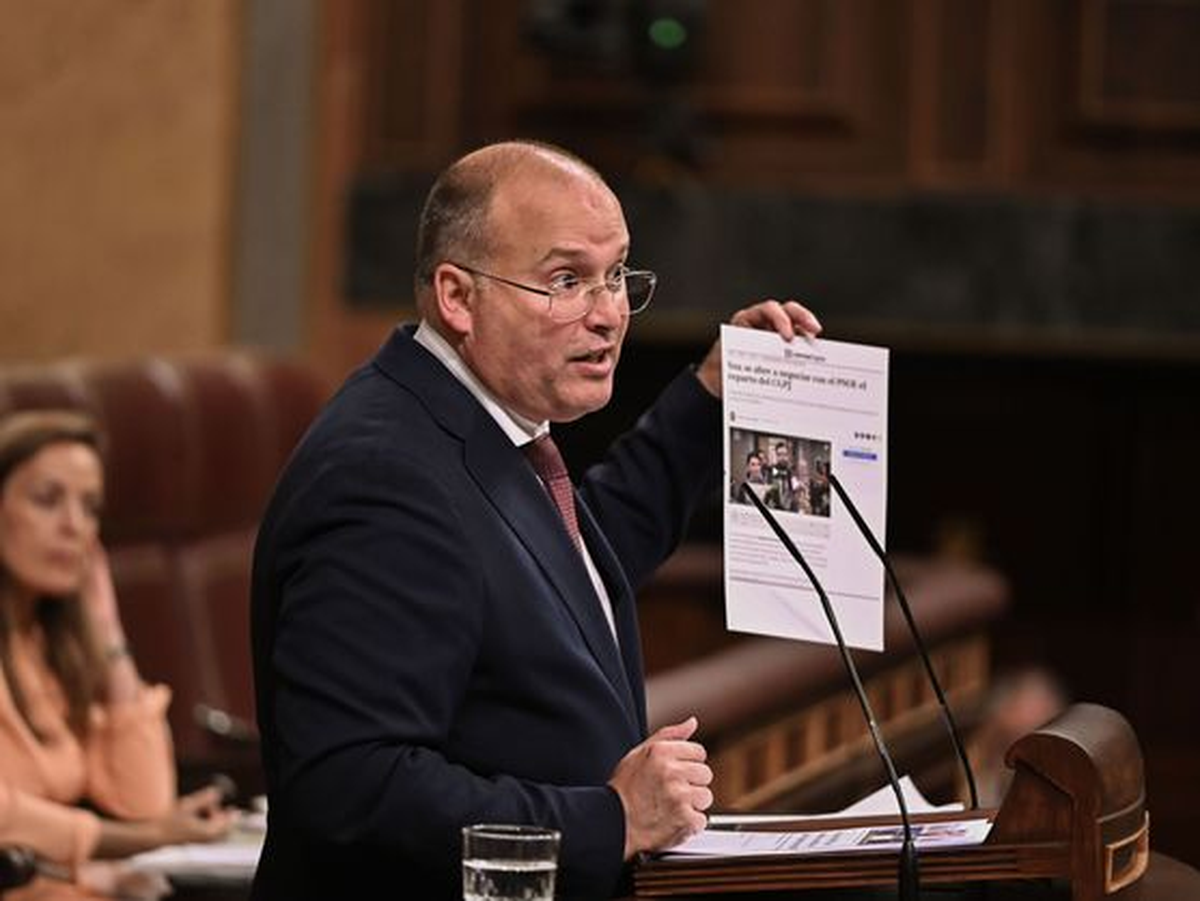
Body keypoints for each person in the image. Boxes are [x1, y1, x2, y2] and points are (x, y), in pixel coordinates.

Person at [249, 139, 821, 900]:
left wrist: (709, 398)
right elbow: (351, 784)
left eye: (616, 275)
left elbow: (562, 572)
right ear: (458, 296)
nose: (610, 313)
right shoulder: (383, 475)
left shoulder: (465, 423)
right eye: (567, 280)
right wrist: (608, 821)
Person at [0, 410, 236, 901]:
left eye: (90, 509)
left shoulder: (48, 647)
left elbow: (142, 801)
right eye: (48, 500)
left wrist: (108, 633)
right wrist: (145, 839)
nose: (75, 527)